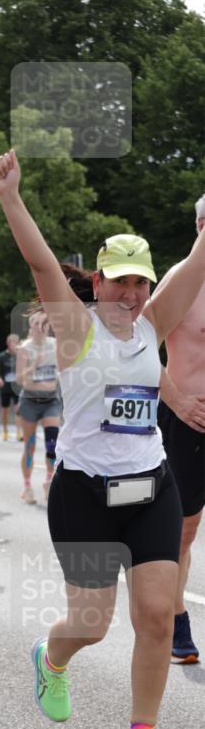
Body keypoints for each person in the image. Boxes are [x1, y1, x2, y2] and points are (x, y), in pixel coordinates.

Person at [0, 148, 205, 729]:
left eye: (142, 282)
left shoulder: (151, 325)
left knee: (159, 613)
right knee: (92, 622)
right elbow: (39, 261)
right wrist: (10, 196)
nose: (133, 294)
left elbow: (196, 263)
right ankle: (52, 659)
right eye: (122, 281)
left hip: (150, 487)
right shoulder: (73, 327)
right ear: (100, 280)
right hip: (83, 492)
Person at [156, 192, 205, 664]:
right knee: (184, 531)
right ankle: (175, 621)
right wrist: (177, 399)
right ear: (200, 226)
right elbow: (139, 344)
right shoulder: (180, 281)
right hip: (189, 419)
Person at [16, 311, 62, 504]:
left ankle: (49, 481)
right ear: (31, 327)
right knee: (30, 446)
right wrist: (33, 365)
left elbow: (61, 372)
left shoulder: (55, 345)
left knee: (52, 443)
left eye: (44, 323)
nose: (41, 326)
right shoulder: (24, 349)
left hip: (51, 400)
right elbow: (20, 380)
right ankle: (27, 486)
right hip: (30, 402)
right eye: (36, 323)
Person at [0, 334, 22, 441]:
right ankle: (5, 431)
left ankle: (19, 433)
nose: (14, 344)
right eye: (12, 342)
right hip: (5, 387)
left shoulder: (20, 356)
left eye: (16, 342)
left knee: (18, 409)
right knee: (5, 410)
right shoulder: (1, 357)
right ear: (8, 343)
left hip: (16, 387)